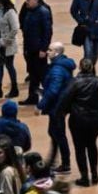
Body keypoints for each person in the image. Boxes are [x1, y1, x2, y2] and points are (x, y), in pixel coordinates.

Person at [59, 58, 98, 186]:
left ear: (80, 68)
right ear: (92, 68)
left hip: (77, 119)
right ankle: (95, 174)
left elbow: (65, 100)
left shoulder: (74, 82)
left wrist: (64, 112)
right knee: (92, 145)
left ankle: (84, 177)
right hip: (95, 119)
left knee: (79, 148)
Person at [39, 42, 75, 173]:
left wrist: (41, 105)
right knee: (54, 133)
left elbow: (53, 90)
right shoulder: (60, 65)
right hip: (59, 106)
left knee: (58, 134)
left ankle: (65, 164)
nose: (47, 52)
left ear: (57, 53)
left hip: (57, 107)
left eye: (50, 50)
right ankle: (53, 160)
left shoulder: (57, 69)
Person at [20, 0, 52, 105]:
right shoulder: (30, 11)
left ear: (36, 0)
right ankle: (32, 97)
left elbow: (47, 32)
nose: (27, 1)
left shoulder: (43, 12)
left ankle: (50, 96)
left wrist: (43, 49)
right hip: (31, 48)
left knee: (42, 75)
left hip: (38, 50)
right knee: (33, 74)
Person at [0, 0, 20, 98]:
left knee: (9, 66)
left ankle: (14, 88)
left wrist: (7, 40)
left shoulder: (10, 12)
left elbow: (15, 28)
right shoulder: (0, 11)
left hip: (8, 45)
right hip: (0, 44)